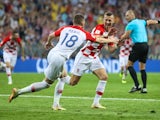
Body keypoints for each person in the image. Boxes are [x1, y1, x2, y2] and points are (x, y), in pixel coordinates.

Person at [8, 14, 119, 108]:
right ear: (83, 23)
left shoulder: (65, 28)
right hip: (59, 59)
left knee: (61, 76)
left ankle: (56, 103)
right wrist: (111, 39)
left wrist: (48, 43)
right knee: (48, 83)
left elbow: (51, 35)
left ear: (73, 22)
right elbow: (98, 39)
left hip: (52, 52)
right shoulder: (84, 33)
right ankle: (19, 92)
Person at [53, 11, 118, 110]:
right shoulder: (98, 28)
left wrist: (117, 44)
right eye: (106, 20)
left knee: (104, 76)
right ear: (103, 20)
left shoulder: (109, 32)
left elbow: (111, 50)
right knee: (73, 82)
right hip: (84, 56)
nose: (107, 22)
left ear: (113, 21)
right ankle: (62, 77)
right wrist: (110, 38)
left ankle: (96, 103)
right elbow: (96, 39)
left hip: (94, 57)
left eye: (110, 20)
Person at [120, 10, 160, 93]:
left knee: (129, 65)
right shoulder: (141, 21)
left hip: (138, 46)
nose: (126, 17)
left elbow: (126, 35)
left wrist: (120, 39)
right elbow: (150, 21)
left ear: (132, 15)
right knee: (142, 68)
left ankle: (137, 85)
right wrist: (158, 21)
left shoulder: (130, 24)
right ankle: (144, 88)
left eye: (127, 15)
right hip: (145, 45)